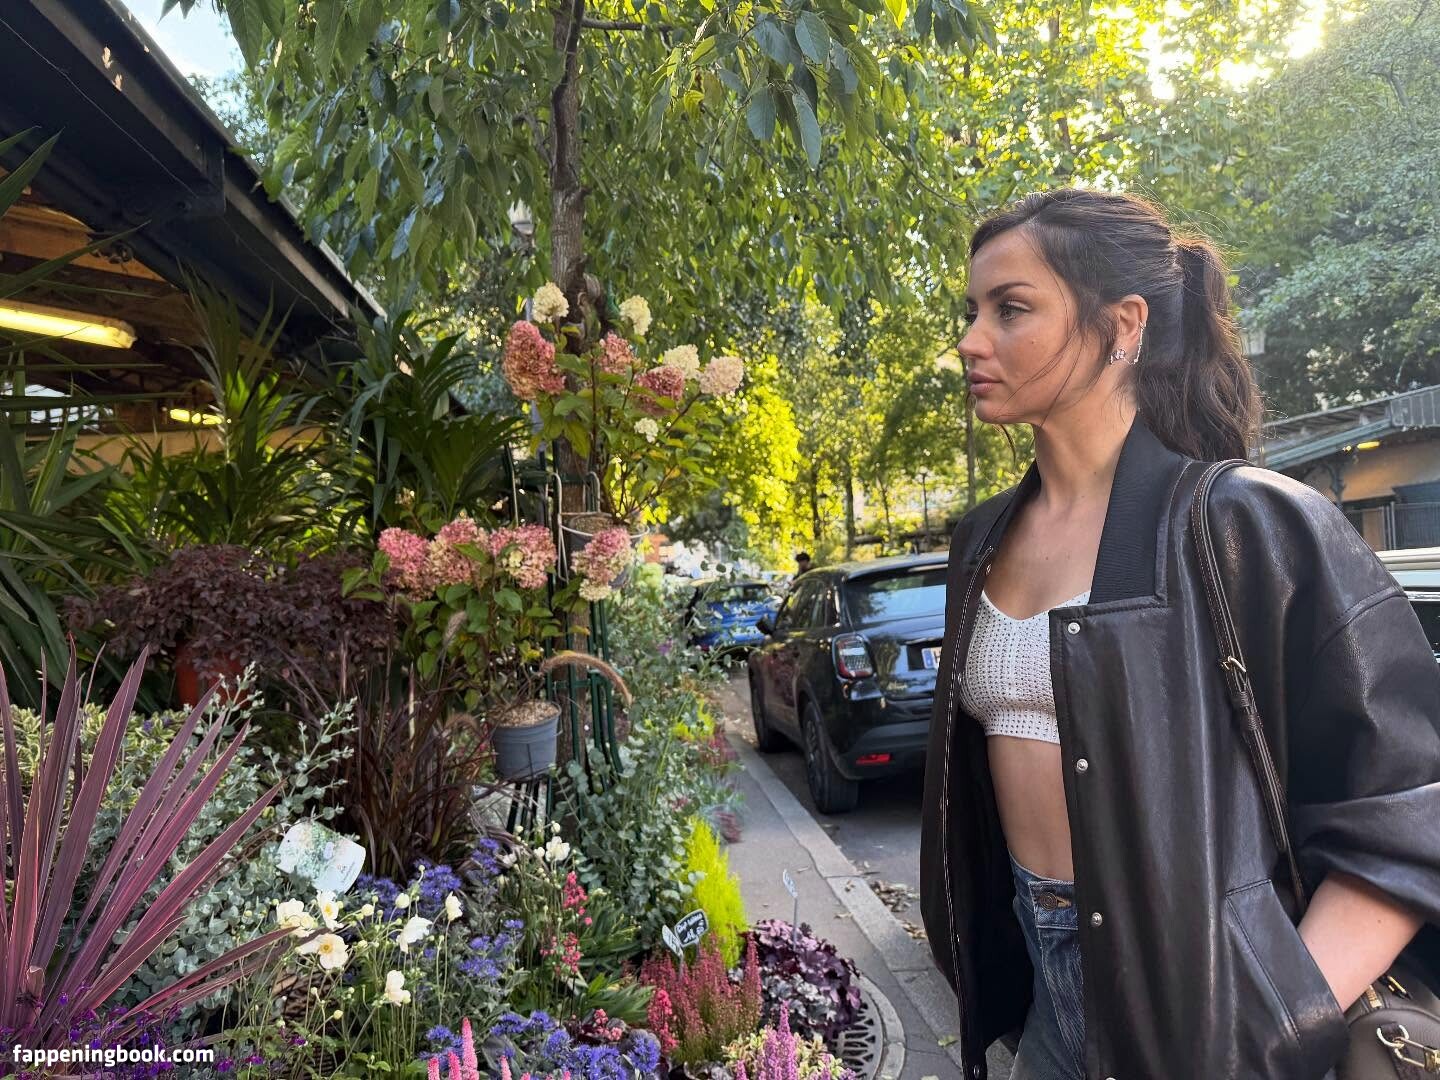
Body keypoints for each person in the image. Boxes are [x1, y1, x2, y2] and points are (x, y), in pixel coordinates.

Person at [917, 189, 1440, 1080]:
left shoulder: (1246, 523)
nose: (970, 341)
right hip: (1046, 1000)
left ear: (1124, 324)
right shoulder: (983, 539)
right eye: (972, 311)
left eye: (1011, 309)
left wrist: (1274, 1028)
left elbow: (1405, 805)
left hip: (1209, 1015)